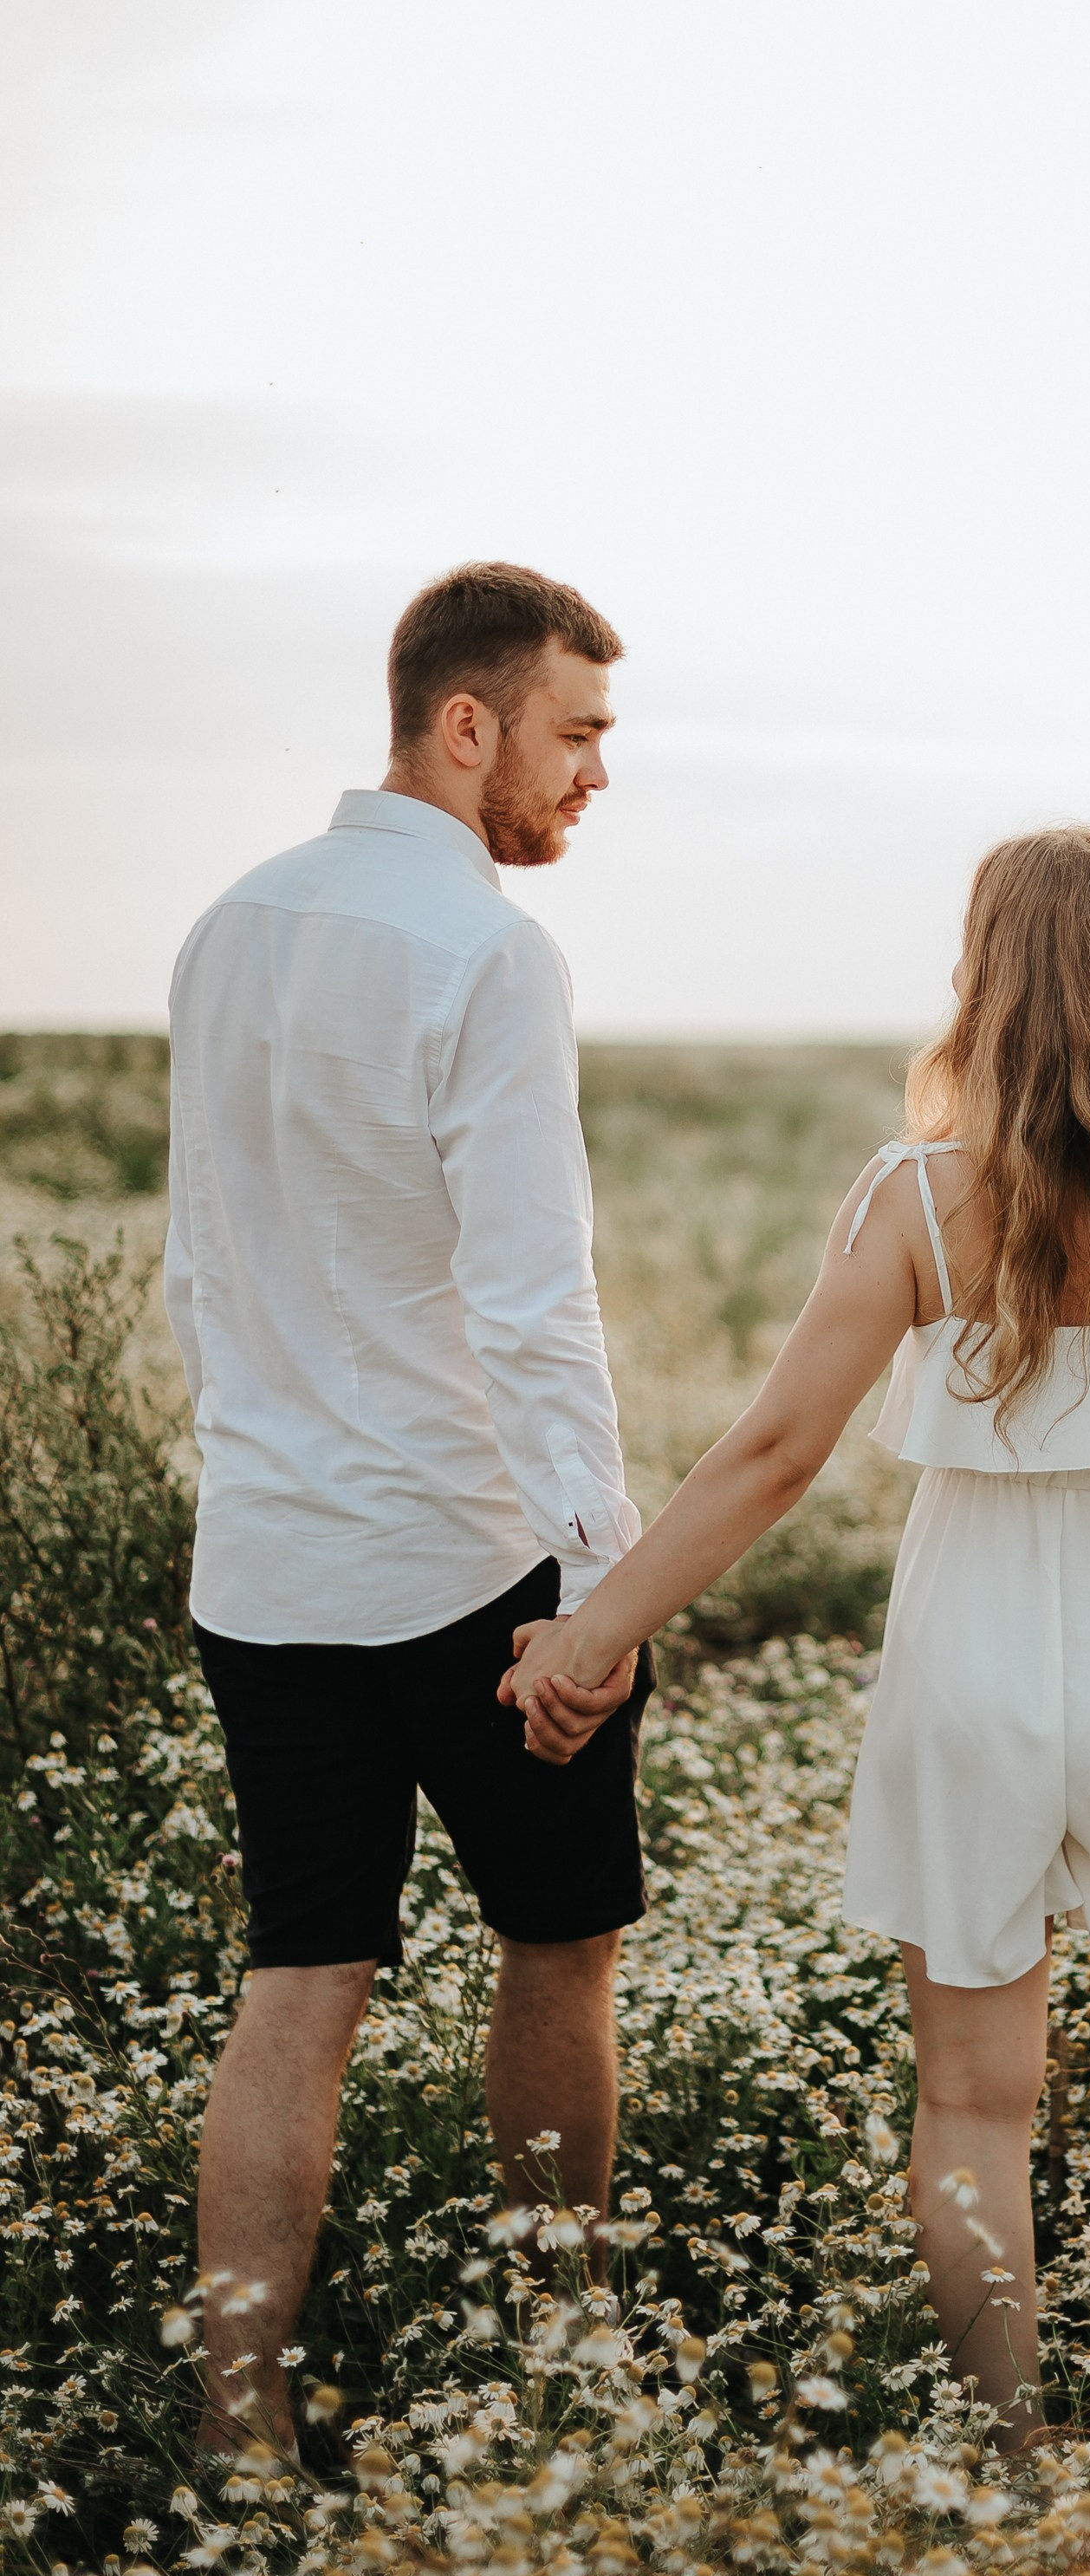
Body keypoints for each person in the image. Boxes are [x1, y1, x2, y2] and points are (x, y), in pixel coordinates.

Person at [502, 824, 1090, 2448]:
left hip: (972, 1681)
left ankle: (1015, 2453)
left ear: (989, 981)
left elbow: (771, 1455)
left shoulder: (913, 1196)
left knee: (972, 2099)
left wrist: (588, 1634)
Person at [164, 562, 651, 2455]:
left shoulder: (227, 926)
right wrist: (600, 1582)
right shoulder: (489, 953)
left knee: (302, 1972)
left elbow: (204, 1262)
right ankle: (559, 2362)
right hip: (472, 1556)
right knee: (558, 1942)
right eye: (578, 733)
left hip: (269, 1556)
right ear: (471, 725)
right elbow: (536, 1305)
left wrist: (258, 1473)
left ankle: (239, 2433)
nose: (597, 775)